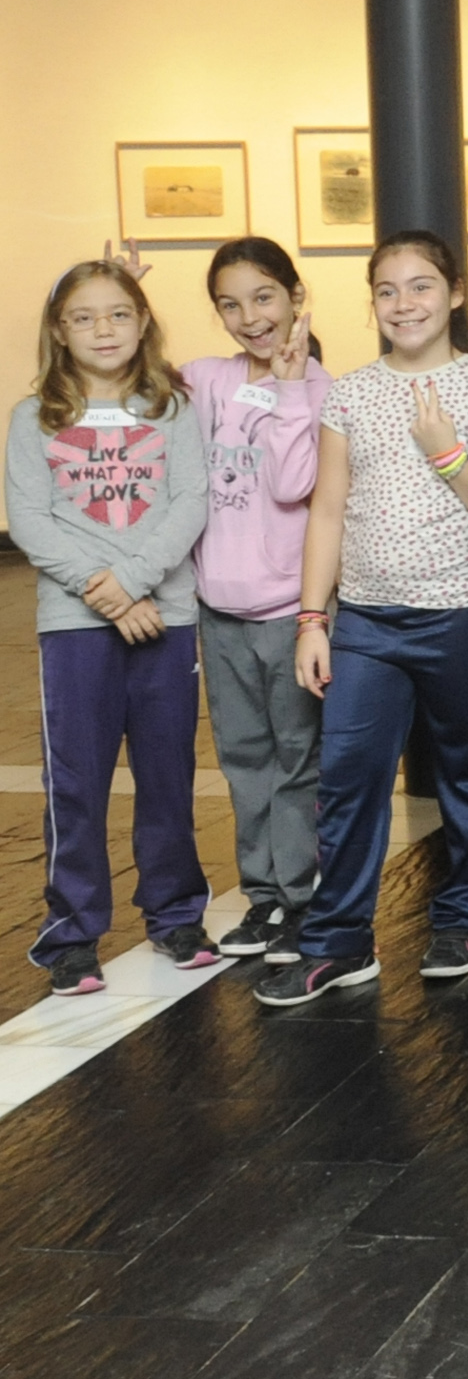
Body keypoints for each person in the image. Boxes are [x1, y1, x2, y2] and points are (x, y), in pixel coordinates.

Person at [260, 232, 468, 1007]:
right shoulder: (352, 393)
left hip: (465, 611)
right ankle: (338, 942)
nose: (404, 304)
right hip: (367, 622)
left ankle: (465, 916)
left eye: (421, 285)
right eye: (387, 290)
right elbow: (327, 510)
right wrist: (313, 618)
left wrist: (446, 453)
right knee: (347, 779)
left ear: (456, 293)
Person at [10, 259, 212, 997]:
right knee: (76, 781)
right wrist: (114, 595)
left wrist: (133, 582)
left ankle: (176, 914)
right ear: (59, 331)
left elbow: (190, 502)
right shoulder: (33, 418)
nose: (104, 329)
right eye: (84, 317)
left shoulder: (172, 410)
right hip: (77, 624)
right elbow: (30, 521)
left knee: (168, 775)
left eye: (119, 313)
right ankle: (71, 933)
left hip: (166, 617)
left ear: (143, 322)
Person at [187, 238, 330, 964]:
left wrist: (290, 386)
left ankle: (302, 899)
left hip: (287, 613)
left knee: (297, 759)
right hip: (219, 612)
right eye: (230, 304)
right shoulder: (205, 379)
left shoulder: (321, 389)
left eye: (264, 297)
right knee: (243, 760)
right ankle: (263, 896)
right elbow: (125, 377)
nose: (250, 317)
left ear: (295, 298)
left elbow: (291, 483)